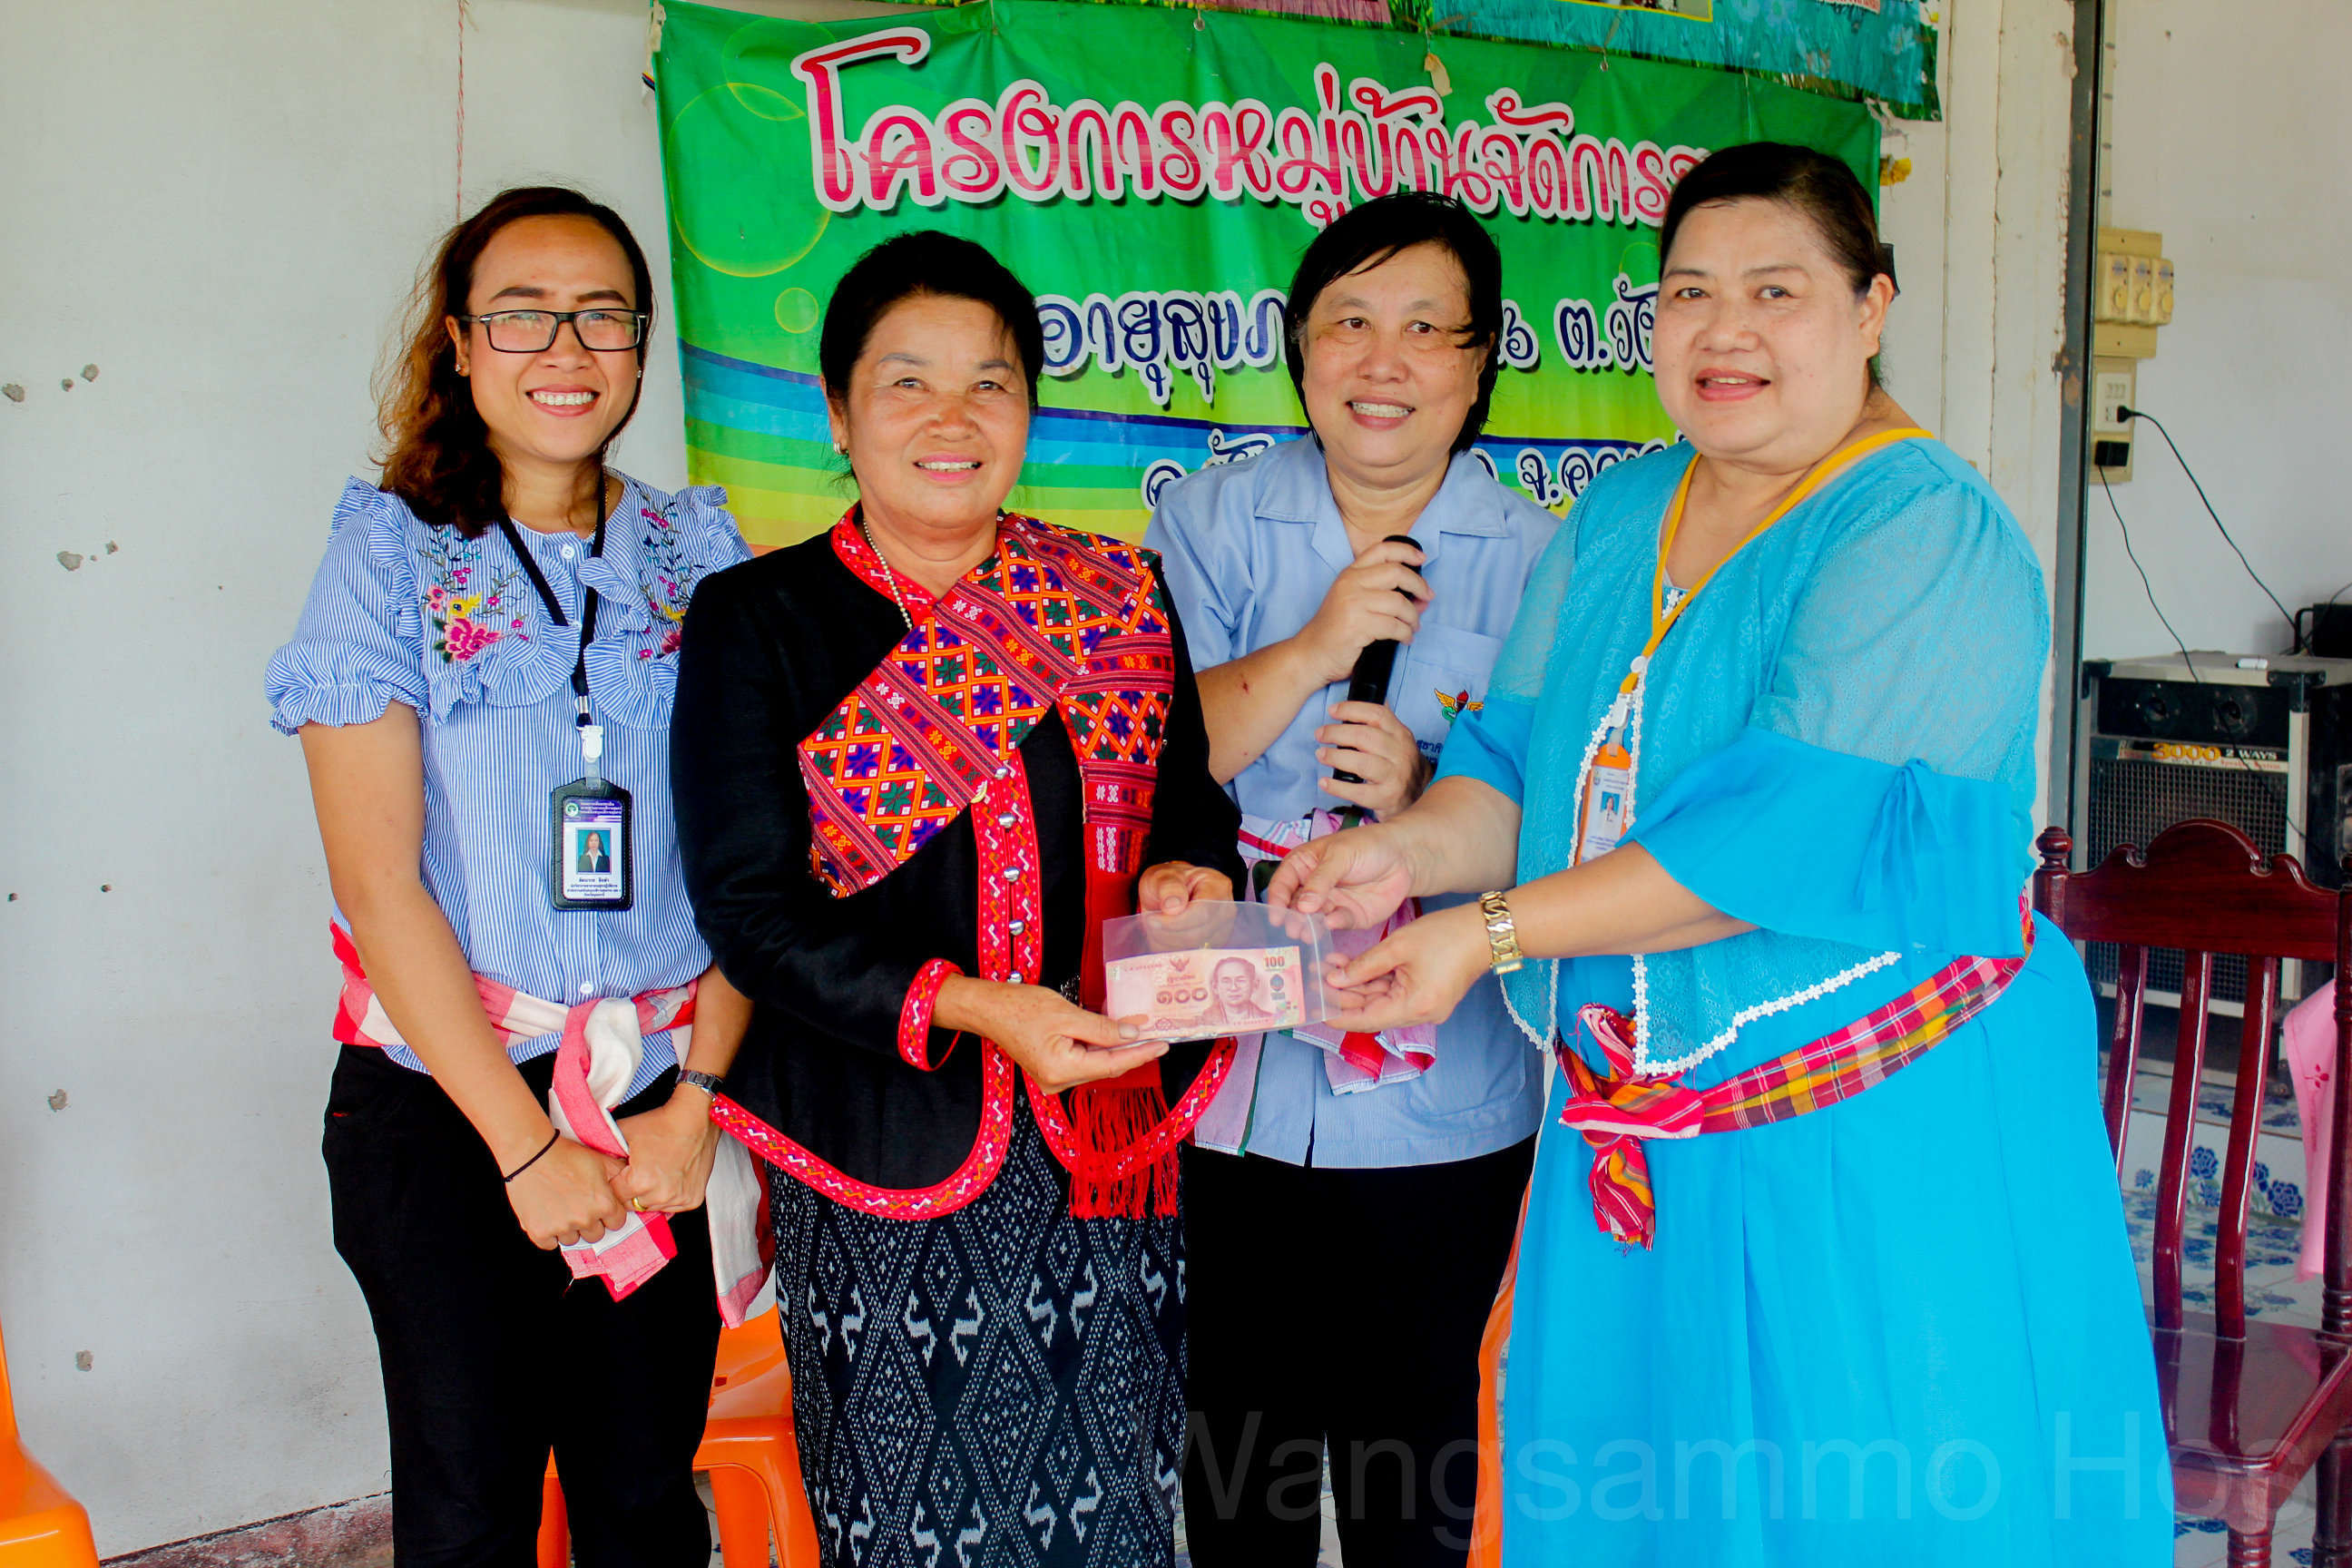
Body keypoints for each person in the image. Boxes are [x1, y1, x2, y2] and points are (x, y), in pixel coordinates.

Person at [1266, 143, 2170, 1563]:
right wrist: (1403, 858)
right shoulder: (1626, 512)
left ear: (1870, 308)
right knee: (1634, 1497)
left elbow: (1765, 852)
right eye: (1689, 292)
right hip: (1635, 1127)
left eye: (1775, 291)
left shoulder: (1924, 529)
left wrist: (1483, 936)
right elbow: (1514, 769)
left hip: (1871, 1130)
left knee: (1862, 1499)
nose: (1724, 330)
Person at [670, 231, 1245, 1568]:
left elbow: (1192, 810)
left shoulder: (1112, 593)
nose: (953, 417)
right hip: (881, 1143)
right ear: (838, 413)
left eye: (990, 383)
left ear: (1029, 411)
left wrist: (1190, 878)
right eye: (907, 382)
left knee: (1111, 1511)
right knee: (908, 1519)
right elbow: (751, 915)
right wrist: (984, 1010)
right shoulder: (758, 620)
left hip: (1102, 1139)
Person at [266, 186, 755, 1565]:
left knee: (645, 1502)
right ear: (463, 342)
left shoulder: (698, 553)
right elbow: (383, 892)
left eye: (603, 315)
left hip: (659, 1095)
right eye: (523, 314)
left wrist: (698, 1107)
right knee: (469, 1512)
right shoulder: (389, 557)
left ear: (641, 343)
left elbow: (754, 865)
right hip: (447, 1106)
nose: (567, 348)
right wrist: (526, 1148)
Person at [1145, 191, 1556, 1566]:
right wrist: (1318, 647)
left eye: (1428, 329)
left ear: (1481, 364)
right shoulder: (1208, 519)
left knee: (1411, 1427)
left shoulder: (1547, 556)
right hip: (1230, 1045)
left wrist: (1427, 793)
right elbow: (1156, 754)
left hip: (1442, 1055)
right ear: (1301, 347)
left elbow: (1577, 805)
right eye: (1351, 323)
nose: (1385, 363)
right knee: (1240, 1426)